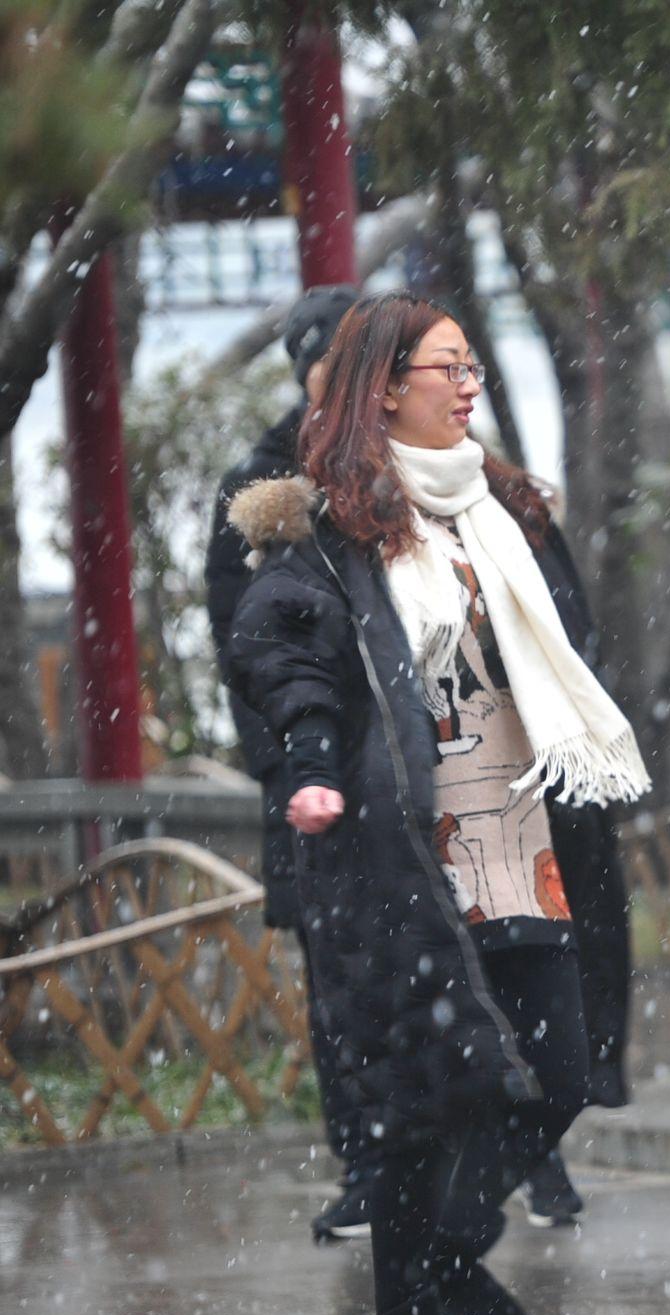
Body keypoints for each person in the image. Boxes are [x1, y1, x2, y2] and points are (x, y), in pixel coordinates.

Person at [227, 293, 643, 1315]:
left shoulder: (500, 507)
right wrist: (311, 752)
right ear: (382, 385)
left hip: (523, 832)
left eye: (471, 368)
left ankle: (454, 1246)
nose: (468, 387)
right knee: (428, 1100)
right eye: (445, 368)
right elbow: (282, 641)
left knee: (559, 1067)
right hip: (409, 846)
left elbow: (567, 638)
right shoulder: (326, 528)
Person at [206, 283, 362, 1239]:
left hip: (416, 763)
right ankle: (363, 1160)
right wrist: (301, 763)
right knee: (340, 976)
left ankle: (523, 1150)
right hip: (309, 770)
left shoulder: (404, 467)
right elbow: (248, 649)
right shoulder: (261, 487)